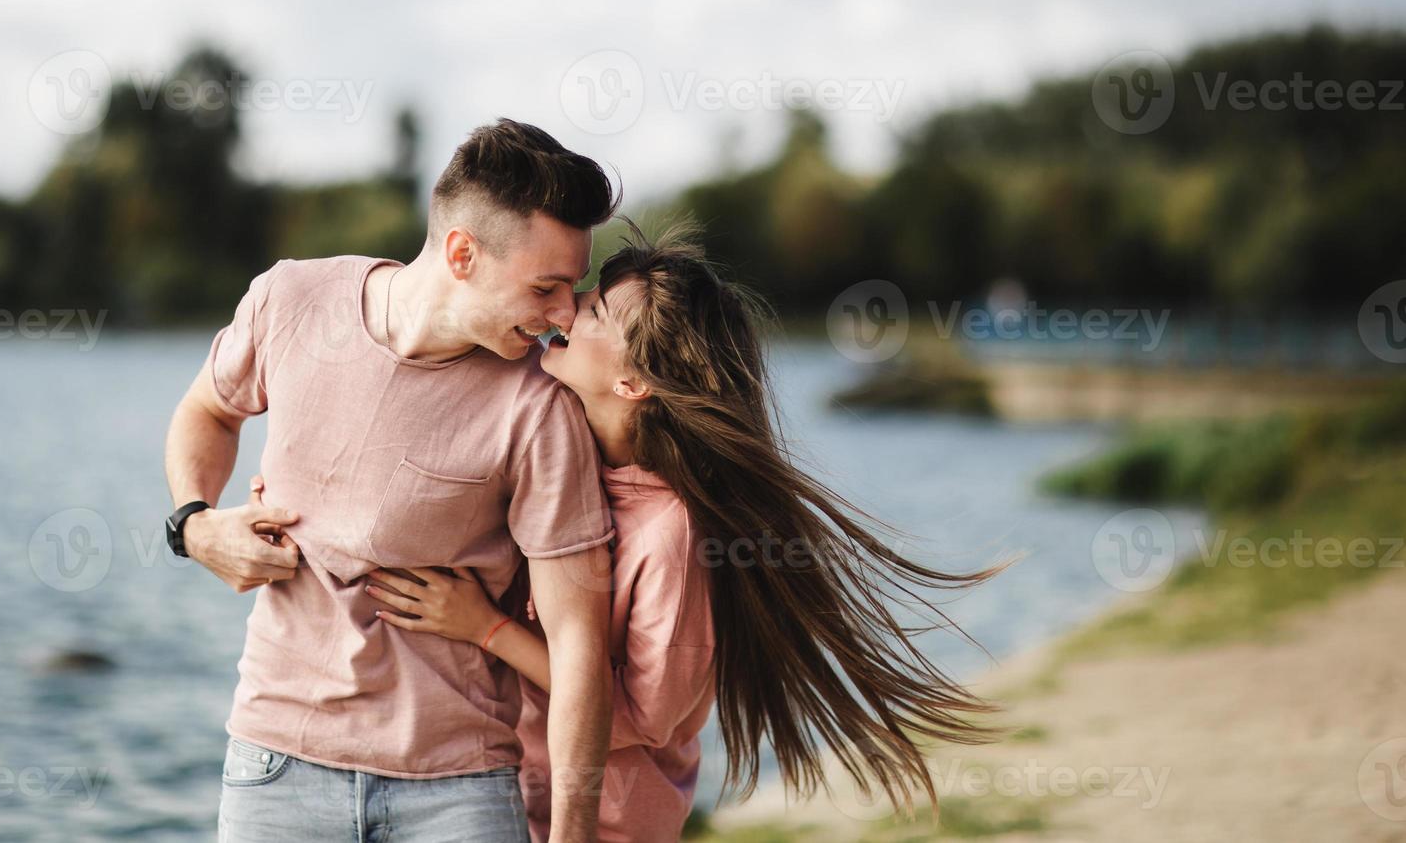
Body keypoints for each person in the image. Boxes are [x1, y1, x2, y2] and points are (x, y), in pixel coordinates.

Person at [359, 223, 1014, 841]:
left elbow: (638, 720)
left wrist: (485, 628)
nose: (561, 313)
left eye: (591, 312)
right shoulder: (561, 458)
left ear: (631, 381)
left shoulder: (672, 534)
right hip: (503, 803)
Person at [162, 119, 622, 842]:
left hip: (457, 792)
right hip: (275, 766)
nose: (563, 315)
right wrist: (194, 523)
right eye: (547, 287)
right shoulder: (291, 300)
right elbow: (208, 410)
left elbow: (579, 650)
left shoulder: (540, 407)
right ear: (462, 253)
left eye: (573, 289)